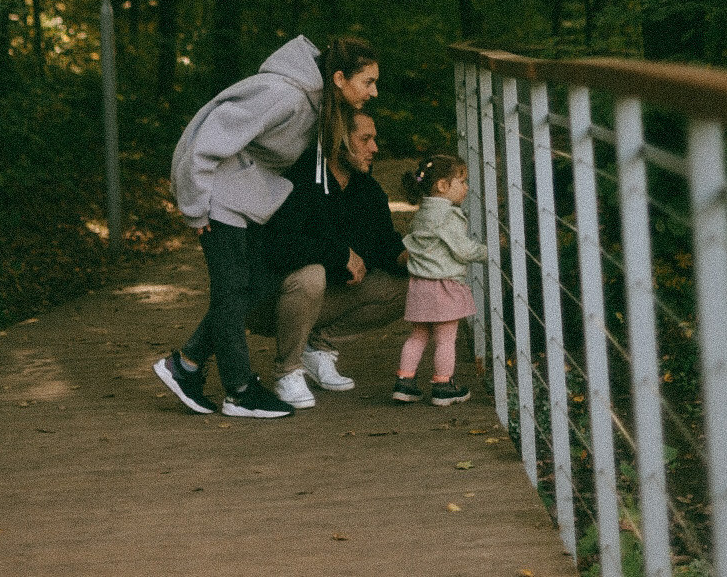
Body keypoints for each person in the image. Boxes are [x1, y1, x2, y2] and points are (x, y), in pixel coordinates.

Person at [154, 35, 379, 419]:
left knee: (255, 281)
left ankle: (186, 365)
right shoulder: (285, 95)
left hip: (244, 200)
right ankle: (239, 390)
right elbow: (206, 138)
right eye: (368, 82)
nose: (374, 92)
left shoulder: (317, 103)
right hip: (218, 198)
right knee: (232, 289)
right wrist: (196, 206)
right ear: (339, 78)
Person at [253, 109, 408, 409]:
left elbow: (386, 245)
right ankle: (287, 370)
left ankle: (317, 346)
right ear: (338, 141)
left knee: (412, 287)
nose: (374, 148)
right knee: (312, 275)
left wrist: (416, 260)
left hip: (322, 302)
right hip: (269, 301)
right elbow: (278, 246)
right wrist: (339, 253)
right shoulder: (300, 178)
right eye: (365, 139)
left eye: (374, 139)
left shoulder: (368, 190)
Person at [393, 151, 486, 407]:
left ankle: (405, 382)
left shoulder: (422, 214)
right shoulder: (449, 215)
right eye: (462, 181)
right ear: (443, 186)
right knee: (446, 339)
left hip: (419, 286)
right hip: (444, 285)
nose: (466, 187)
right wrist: (491, 252)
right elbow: (464, 250)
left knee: (417, 336)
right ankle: (443, 385)